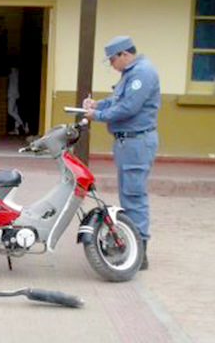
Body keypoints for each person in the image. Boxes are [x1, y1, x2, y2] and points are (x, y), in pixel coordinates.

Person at [83, 36, 160, 271]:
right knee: (129, 195)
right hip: (129, 143)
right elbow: (118, 100)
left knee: (134, 196)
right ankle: (134, 246)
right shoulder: (131, 73)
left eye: (112, 60)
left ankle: (139, 252)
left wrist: (97, 116)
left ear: (124, 54)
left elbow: (128, 108)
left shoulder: (142, 73)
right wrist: (98, 104)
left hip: (136, 142)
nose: (111, 65)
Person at [7, 62, 28, 136]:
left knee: (10, 111)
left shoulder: (12, 71)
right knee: (15, 112)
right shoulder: (16, 71)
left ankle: (22, 124)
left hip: (12, 93)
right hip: (15, 93)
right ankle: (16, 129)